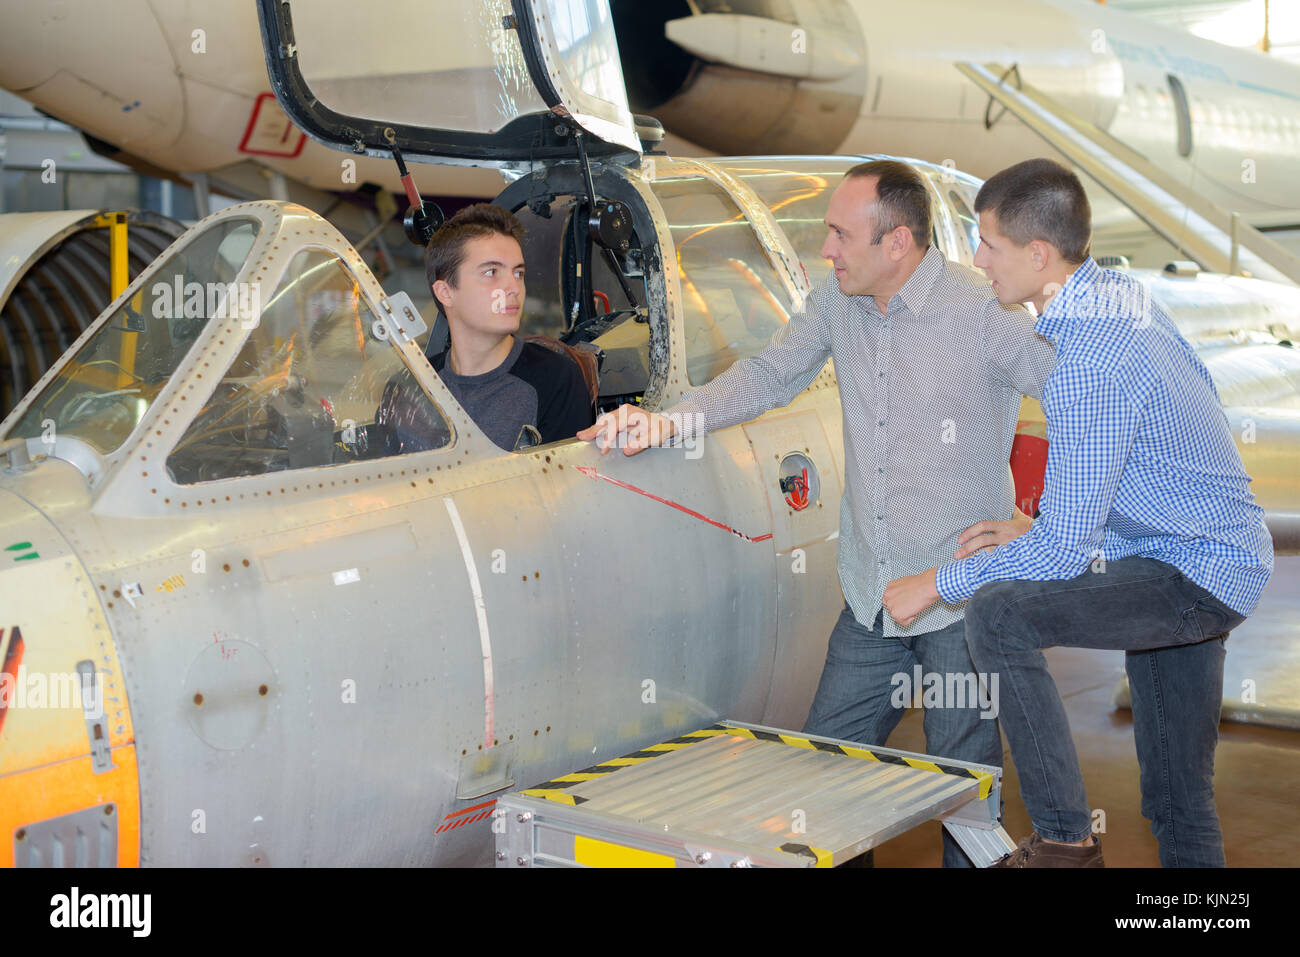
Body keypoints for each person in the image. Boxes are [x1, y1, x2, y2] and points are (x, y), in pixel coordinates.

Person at [579, 160, 1057, 867]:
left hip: (962, 604)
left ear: (897, 243)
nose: (826, 249)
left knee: (966, 798)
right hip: (871, 602)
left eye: (840, 233)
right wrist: (665, 423)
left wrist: (1040, 526)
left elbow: (1087, 408)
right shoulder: (839, 304)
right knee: (822, 787)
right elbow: (769, 374)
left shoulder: (984, 311)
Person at [883, 158, 1274, 868]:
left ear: (1039, 255)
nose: (977, 259)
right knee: (1179, 798)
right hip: (1204, 552)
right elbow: (1136, 467)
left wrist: (934, 582)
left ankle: (1064, 839)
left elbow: (1064, 556)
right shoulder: (1118, 296)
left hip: (1188, 572)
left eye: (989, 244)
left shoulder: (1090, 361)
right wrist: (1045, 528)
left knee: (995, 612)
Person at [424, 203, 594, 451]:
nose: (514, 288)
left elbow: (567, 487)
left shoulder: (556, 381)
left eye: (518, 273)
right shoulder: (415, 385)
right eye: (491, 272)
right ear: (445, 292)